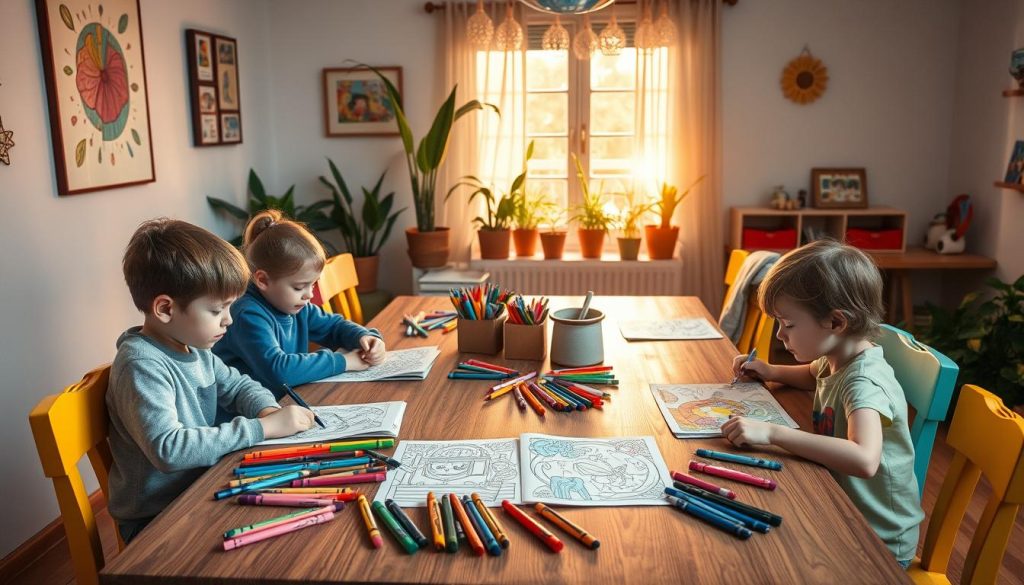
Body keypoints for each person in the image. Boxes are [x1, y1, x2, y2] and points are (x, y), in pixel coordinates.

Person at [107, 219, 315, 543]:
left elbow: (238, 385)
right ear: (165, 309)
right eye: (218, 309)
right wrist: (263, 429)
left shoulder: (193, 346)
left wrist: (267, 410)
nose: (229, 320)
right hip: (157, 519)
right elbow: (169, 450)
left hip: (203, 486)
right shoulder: (141, 366)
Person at [721, 239, 923, 569]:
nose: (779, 337)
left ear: (835, 322)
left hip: (877, 540)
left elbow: (865, 458)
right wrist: (770, 371)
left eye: (788, 324)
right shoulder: (839, 354)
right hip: (841, 507)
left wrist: (772, 433)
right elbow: (812, 375)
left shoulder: (864, 382)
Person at [213, 210, 386, 397]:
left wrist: (365, 337)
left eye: (313, 284)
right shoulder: (247, 314)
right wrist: (344, 362)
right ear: (262, 280)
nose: (309, 295)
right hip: (249, 419)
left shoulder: (294, 305)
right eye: (299, 287)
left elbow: (333, 327)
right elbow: (279, 371)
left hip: (286, 404)